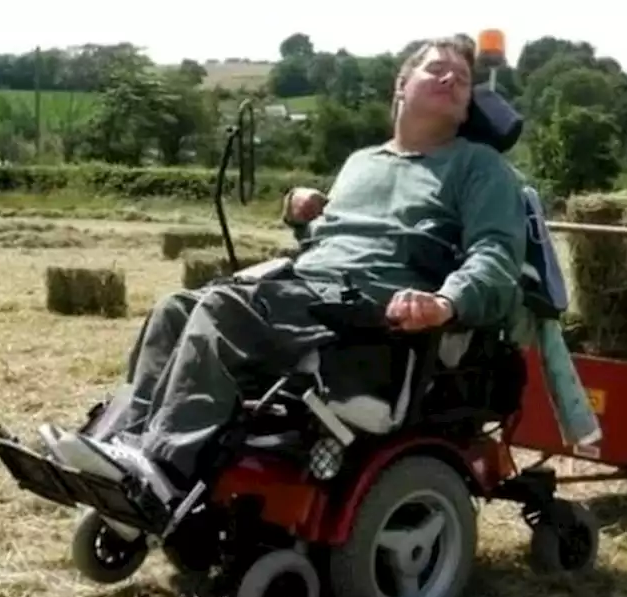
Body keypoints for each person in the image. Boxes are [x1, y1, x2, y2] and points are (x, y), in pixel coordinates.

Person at [46, 36, 529, 496]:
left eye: (462, 79)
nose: (450, 80)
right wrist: (302, 219)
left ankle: (167, 469)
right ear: (401, 85)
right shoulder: (362, 162)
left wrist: (446, 301)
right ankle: (117, 451)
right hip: (312, 289)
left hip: (375, 314)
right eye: (436, 69)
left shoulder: (480, 167)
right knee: (174, 308)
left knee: (224, 310)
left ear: (468, 107)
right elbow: (334, 242)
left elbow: (497, 257)